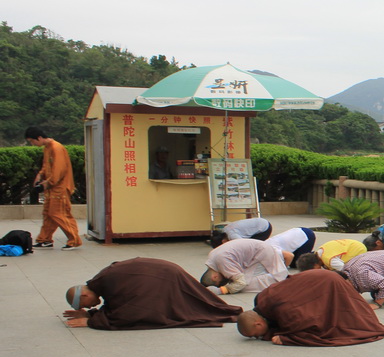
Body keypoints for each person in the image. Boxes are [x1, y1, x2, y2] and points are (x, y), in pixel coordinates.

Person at [63, 257, 242, 330]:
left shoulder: (106, 281)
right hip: (166, 272)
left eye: (87, 305)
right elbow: (118, 303)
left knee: (191, 306)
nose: (92, 306)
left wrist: (91, 320)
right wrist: (90, 314)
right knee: (193, 302)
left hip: (166, 277)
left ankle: (224, 312)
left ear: (85, 295)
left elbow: (128, 313)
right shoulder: (102, 279)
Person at [236, 269, 384, 346]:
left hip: (330, 283)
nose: (257, 337)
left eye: (255, 335)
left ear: (258, 323)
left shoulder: (286, 313)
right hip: (319, 276)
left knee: (348, 317)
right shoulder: (261, 298)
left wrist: (286, 338)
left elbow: (313, 327)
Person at [25, 127, 82, 250]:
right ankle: (45, 239)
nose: (32, 144)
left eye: (32, 141)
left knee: (58, 213)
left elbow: (59, 171)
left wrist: (46, 184)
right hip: (52, 187)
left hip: (60, 187)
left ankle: (74, 240)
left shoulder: (56, 148)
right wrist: (40, 175)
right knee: (48, 213)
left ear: (39, 138)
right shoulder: (47, 148)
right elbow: (46, 166)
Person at [201, 238, 290, 295]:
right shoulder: (212, 256)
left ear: (214, 277)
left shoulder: (222, 262)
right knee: (240, 281)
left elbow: (241, 283)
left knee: (245, 286)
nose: (225, 280)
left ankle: (280, 284)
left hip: (261, 253)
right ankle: (281, 279)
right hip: (259, 250)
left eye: (219, 282)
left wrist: (221, 290)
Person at [300, 238, 367, 272]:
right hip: (351, 244)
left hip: (358, 250)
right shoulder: (319, 252)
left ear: (315, 265)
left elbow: (345, 270)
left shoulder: (331, 261)